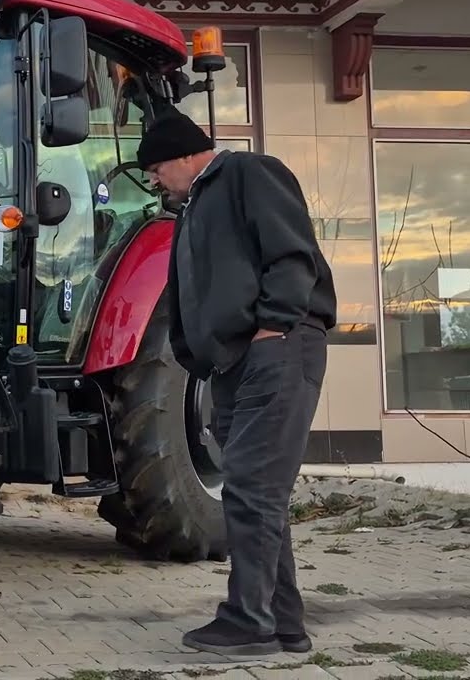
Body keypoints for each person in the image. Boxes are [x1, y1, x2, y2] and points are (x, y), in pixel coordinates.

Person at [137, 110, 336, 656]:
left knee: (250, 487)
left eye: (156, 169)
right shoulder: (195, 206)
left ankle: (249, 621)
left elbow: (290, 252)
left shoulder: (249, 173)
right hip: (231, 363)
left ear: (183, 155)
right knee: (258, 492)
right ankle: (284, 623)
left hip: (278, 348)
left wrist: (274, 327)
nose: (155, 182)